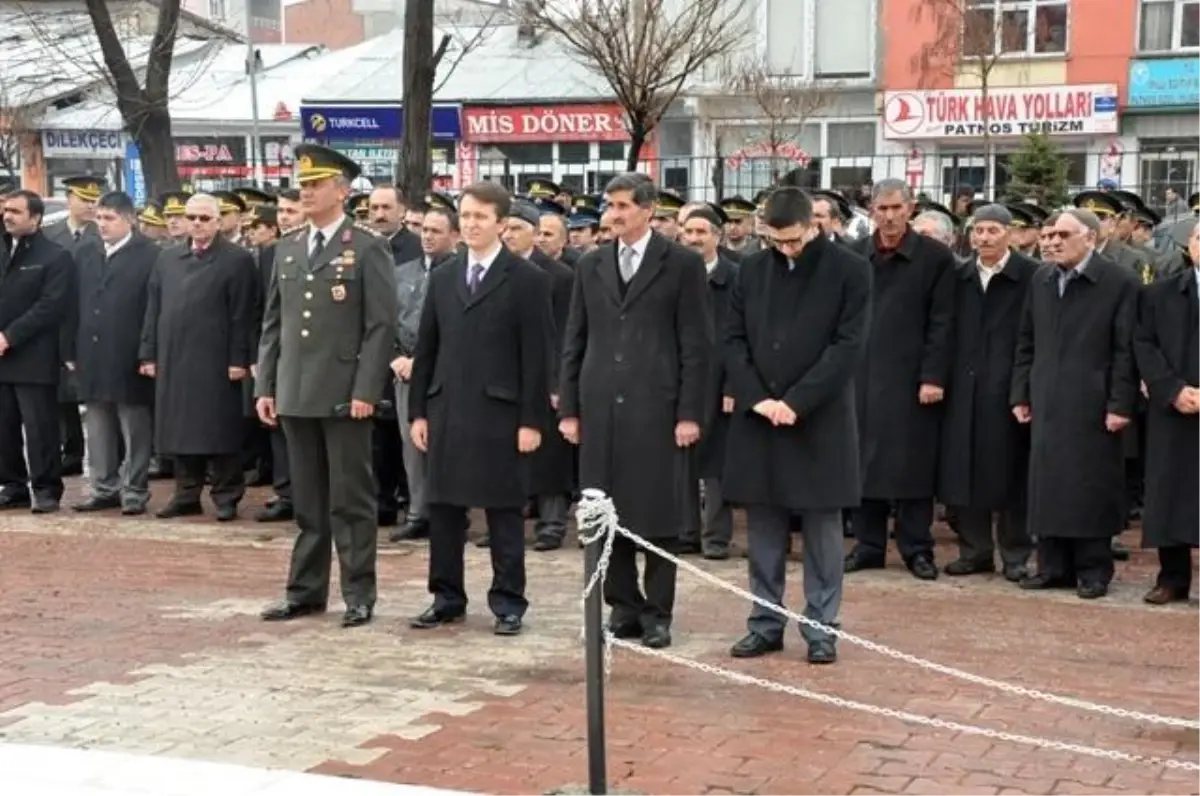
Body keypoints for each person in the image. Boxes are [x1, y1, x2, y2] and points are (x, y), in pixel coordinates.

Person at [559, 173, 712, 649]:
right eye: (611, 205)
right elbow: (575, 338)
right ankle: (621, 605)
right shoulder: (592, 264)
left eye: (624, 205)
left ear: (648, 211)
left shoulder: (681, 264)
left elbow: (697, 345)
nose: (615, 214)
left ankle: (657, 612)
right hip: (600, 406)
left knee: (656, 516)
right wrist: (570, 407)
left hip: (657, 408)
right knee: (605, 514)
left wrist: (689, 413)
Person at [723, 187, 870, 664]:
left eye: (793, 241)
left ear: (814, 225)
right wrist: (759, 398)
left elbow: (848, 346)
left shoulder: (850, 269)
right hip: (761, 416)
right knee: (763, 522)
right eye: (776, 242)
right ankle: (765, 622)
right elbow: (732, 339)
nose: (785, 250)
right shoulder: (751, 268)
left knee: (822, 526)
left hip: (818, 417)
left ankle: (821, 626)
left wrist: (797, 401)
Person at [256, 144, 397, 629]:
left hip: (343, 393)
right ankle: (305, 591)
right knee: (309, 501)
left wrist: (365, 389)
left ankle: (359, 593)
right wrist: (266, 383)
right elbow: (273, 322)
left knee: (351, 500)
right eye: (303, 184)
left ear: (342, 190)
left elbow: (380, 326)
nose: (306, 191)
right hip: (296, 390)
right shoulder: (288, 246)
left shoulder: (367, 246)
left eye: (316, 184)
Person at [407, 181, 554, 636]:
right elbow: (426, 347)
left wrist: (531, 420)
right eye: (465, 216)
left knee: (503, 511)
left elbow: (538, 356)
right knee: (444, 509)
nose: (470, 225)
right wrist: (418, 412)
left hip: (501, 414)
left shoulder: (528, 280)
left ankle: (508, 602)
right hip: (447, 408)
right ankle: (446, 596)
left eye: (480, 217)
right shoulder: (446, 274)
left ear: (502, 224)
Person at [1011, 208, 1139, 599]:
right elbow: (1026, 340)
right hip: (1047, 396)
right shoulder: (1042, 278)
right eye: (1048, 235)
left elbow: (1126, 350)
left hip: (1094, 400)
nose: (1051, 241)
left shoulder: (1118, 281)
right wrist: (1021, 392)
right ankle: (1053, 566)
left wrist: (1120, 403)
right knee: (1049, 484)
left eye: (1062, 235)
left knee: (1090, 485)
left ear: (1090, 237)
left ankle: (1092, 569)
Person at [846, 179, 956, 580]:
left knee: (912, 464)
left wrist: (933, 376)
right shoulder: (855, 254)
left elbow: (943, 322)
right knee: (863, 463)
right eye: (882, 209)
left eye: (896, 208)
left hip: (913, 377)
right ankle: (868, 544)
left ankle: (916, 547)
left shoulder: (935, 257)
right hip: (860, 374)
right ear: (871, 210)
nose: (889, 217)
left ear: (910, 209)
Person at [139, 194, 257, 521]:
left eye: (205, 218)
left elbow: (243, 314)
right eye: (191, 217)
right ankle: (186, 493)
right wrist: (148, 352)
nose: (197, 224)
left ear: (219, 221)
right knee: (180, 428)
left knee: (219, 429)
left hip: (216, 359)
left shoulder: (237, 260)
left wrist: (239, 359)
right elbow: (154, 308)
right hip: (175, 356)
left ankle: (226, 495)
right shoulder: (167, 259)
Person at [937, 204, 1037, 581]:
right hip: (964, 388)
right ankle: (975, 550)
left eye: (993, 231)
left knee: (1011, 473)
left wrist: (1022, 389)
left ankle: (1015, 554)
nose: (984, 238)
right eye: (978, 231)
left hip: (1009, 388)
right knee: (965, 471)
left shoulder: (1030, 276)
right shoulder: (959, 274)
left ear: (1009, 234)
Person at [67, 191, 158, 515]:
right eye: (99, 218)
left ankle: (135, 490)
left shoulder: (149, 255)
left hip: (130, 355)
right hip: (91, 352)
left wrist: (148, 353)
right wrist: (70, 347)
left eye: (110, 218)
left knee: (134, 427)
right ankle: (104, 487)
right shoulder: (86, 252)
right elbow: (73, 302)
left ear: (129, 219)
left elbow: (153, 309)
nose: (102, 224)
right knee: (98, 426)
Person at [1131, 217, 1200, 605]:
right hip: (1172, 407)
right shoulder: (1158, 294)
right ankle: (1172, 578)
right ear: (1189, 244)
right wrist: (1171, 389)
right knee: (1169, 490)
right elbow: (1144, 344)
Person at [500, 199, 576, 552]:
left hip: (546, 375)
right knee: (508, 452)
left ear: (534, 233)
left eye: (517, 228)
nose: (509, 235)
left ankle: (552, 524)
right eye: (507, 227)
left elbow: (566, 333)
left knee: (550, 456)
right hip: (506, 375)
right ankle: (507, 520)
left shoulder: (558, 276)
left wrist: (559, 382)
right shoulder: (497, 270)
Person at [389, 199, 460, 542]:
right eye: (423, 229)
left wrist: (421, 360)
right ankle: (419, 513)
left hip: (447, 372)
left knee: (448, 445)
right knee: (411, 445)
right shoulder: (402, 272)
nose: (427, 236)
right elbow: (383, 320)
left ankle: (451, 515)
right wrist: (396, 357)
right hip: (404, 371)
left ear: (454, 235)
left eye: (436, 231)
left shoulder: (461, 272)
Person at [0, 190, 74, 513]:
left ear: (36, 218)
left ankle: (46, 489)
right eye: (5, 210)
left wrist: (10, 335)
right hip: (2, 357)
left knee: (40, 428)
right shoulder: (2, 250)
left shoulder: (54, 256)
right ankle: (12, 486)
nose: (7, 216)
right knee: (4, 427)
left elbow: (51, 306)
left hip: (34, 355)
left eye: (15, 211)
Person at [678, 205, 738, 560]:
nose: (695, 239)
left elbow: (740, 336)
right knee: (681, 456)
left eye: (702, 232)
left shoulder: (736, 277)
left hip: (720, 380)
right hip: (681, 377)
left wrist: (733, 386)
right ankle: (686, 531)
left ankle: (716, 536)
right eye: (689, 232)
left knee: (716, 461)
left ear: (718, 235)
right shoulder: (672, 274)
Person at [44, 175, 105, 478]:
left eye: (95, 200)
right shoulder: (51, 234)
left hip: (88, 321)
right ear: (69, 199)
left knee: (88, 391)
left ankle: (98, 456)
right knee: (57, 391)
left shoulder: (101, 235)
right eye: (84, 199)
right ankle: (67, 449)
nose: (91, 206)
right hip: (53, 321)